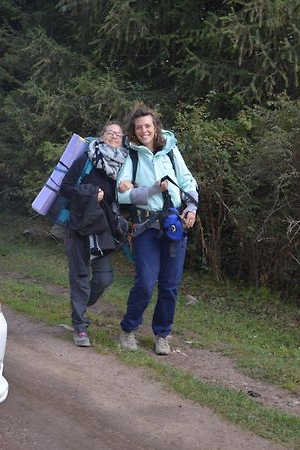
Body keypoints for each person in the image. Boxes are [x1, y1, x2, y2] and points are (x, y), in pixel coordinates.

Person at [117, 104, 198, 355]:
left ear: (156, 127)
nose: (144, 131)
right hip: (146, 227)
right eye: (139, 127)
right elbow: (123, 195)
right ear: (134, 130)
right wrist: (152, 189)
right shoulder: (131, 156)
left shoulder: (171, 152)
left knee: (170, 284)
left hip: (175, 226)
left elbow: (187, 181)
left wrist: (192, 208)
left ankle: (162, 335)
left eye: (148, 126)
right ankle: (128, 330)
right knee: (145, 281)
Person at [60, 122, 128, 347]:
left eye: (118, 134)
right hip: (78, 225)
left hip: (102, 228)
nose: (114, 137)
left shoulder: (123, 167)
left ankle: (80, 303)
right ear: (102, 135)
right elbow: (66, 187)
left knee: (104, 278)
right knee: (80, 276)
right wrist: (90, 194)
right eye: (110, 133)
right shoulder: (86, 159)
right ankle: (80, 327)